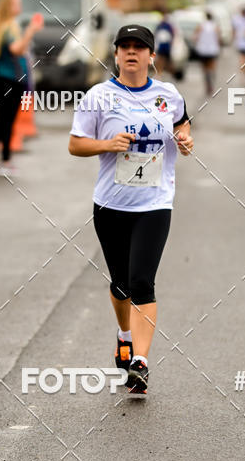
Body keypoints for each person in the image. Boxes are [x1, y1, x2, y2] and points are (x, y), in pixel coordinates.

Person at [68, 24, 193, 396]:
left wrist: (186, 139)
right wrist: (107, 144)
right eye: (125, 47)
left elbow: (183, 126)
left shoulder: (168, 95)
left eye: (140, 47)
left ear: (152, 56)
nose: (132, 52)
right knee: (121, 284)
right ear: (116, 54)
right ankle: (124, 335)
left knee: (142, 282)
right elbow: (75, 145)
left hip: (155, 203)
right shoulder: (98, 97)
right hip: (110, 205)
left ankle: (140, 362)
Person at [0, 0, 43, 172]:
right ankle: (2, 159)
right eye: (17, 3)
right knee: (6, 120)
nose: (20, 6)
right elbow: (17, 49)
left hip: (8, 80)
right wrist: (31, 31)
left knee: (3, 119)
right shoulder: (8, 28)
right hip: (9, 80)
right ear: (8, 7)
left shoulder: (6, 26)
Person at [194, 10, 220, 96]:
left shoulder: (201, 25)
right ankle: (211, 77)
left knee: (204, 68)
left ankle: (207, 84)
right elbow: (218, 37)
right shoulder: (215, 26)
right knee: (211, 67)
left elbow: (195, 37)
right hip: (212, 50)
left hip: (202, 50)